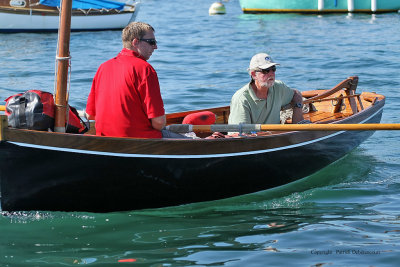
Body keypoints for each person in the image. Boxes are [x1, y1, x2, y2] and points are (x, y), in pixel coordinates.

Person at [86, 22, 183, 138]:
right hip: (141, 141)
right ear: (135, 42)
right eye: (151, 42)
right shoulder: (145, 69)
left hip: (106, 139)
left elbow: (90, 115)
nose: (155, 47)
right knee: (194, 141)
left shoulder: (103, 67)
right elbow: (158, 123)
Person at [228, 53, 304, 125]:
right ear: (254, 75)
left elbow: (296, 94)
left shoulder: (279, 87)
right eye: (265, 70)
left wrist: (298, 108)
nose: (271, 73)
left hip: (275, 137)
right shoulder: (241, 99)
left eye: (273, 69)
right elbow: (240, 135)